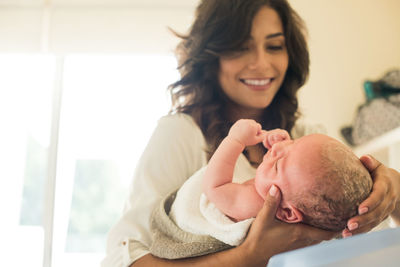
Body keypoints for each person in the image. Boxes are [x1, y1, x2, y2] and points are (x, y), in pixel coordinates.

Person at [102, 0, 400, 266]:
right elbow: (123, 259)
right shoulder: (182, 134)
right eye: (240, 47)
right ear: (212, 55)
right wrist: (249, 256)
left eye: (274, 46)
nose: (261, 63)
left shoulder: (306, 135)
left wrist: (392, 195)